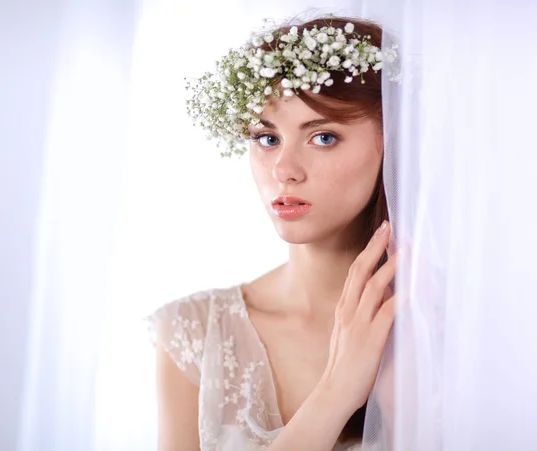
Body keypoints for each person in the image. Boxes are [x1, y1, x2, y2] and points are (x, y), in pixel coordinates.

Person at [146, 15, 398, 451]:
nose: (284, 170)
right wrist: (336, 392)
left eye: (322, 137)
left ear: (391, 142)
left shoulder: (444, 324)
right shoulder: (194, 333)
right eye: (267, 138)